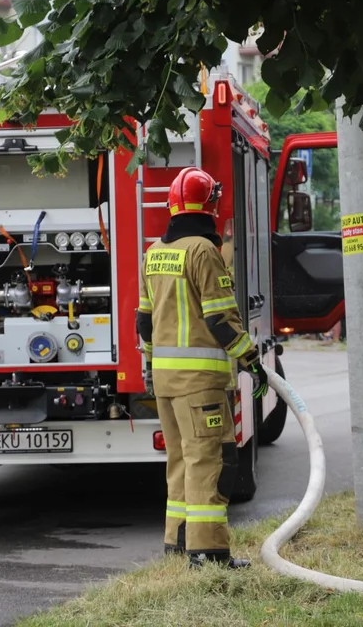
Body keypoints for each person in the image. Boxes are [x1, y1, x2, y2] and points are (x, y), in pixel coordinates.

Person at [135, 166, 265, 570]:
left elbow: (143, 320)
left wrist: (149, 366)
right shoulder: (204, 252)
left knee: (179, 461)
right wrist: (252, 360)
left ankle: (177, 543)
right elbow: (219, 318)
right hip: (200, 386)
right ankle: (209, 553)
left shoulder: (154, 252)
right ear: (210, 205)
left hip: (167, 383)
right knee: (210, 462)